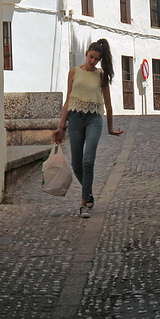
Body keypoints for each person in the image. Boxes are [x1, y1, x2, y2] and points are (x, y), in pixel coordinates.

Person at [53, 38, 123, 218]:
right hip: (75, 119)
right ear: (86, 54)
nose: (93, 61)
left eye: (96, 59)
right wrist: (61, 127)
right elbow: (68, 100)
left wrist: (110, 128)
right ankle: (89, 192)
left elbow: (108, 104)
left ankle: (83, 204)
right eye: (91, 57)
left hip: (94, 119)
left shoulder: (101, 76)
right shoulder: (73, 72)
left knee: (88, 160)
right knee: (76, 163)